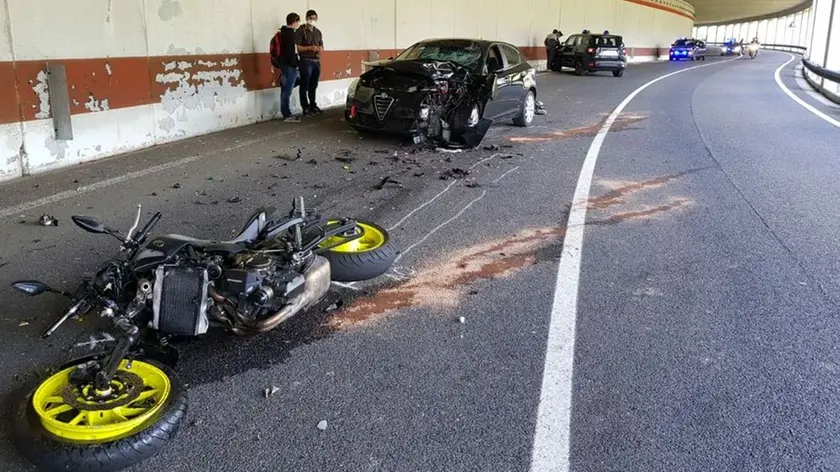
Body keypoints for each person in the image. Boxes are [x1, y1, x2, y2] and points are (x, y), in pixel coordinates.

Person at [297, 10, 324, 116]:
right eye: (311, 18)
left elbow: (321, 45)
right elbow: (297, 47)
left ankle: (313, 105)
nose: (313, 20)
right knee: (304, 84)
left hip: (316, 61)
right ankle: (305, 107)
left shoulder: (318, 32)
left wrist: (320, 48)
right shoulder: (301, 30)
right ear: (306, 18)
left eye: (314, 18)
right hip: (305, 60)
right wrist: (309, 48)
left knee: (314, 85)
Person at [279, 13, 301, 122]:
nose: (299, 23)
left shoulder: (283, 32)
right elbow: (290, 52)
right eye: (298, 21)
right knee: (288, 90)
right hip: (290, 66)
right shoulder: (291, 34)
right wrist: (295, 65)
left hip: (284, 65)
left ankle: (285, 112)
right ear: (295, 21)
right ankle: (287, 114)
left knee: (284, 89)